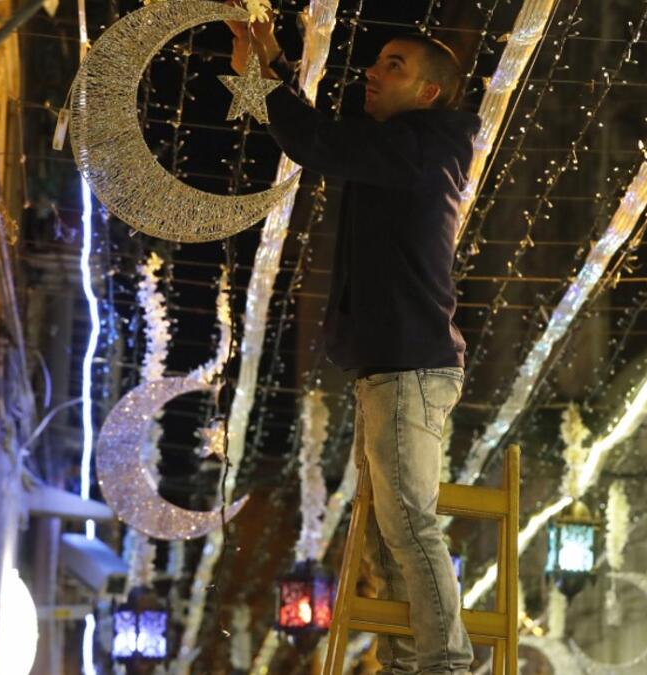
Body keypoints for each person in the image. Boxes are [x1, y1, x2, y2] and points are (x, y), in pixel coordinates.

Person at [227, 12, 478, 675]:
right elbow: (324, 139)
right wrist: (272, 68)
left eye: (393, 64)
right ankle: (404, 662)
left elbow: (318, 143)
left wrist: (270, 75)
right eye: (377, 61)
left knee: (408, 523)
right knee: (386, 531)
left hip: (410, 363)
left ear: (429, 92)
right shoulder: (403, 148)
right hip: (394, 364)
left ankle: (447, 662)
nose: (372, 71)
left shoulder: (419, 150)